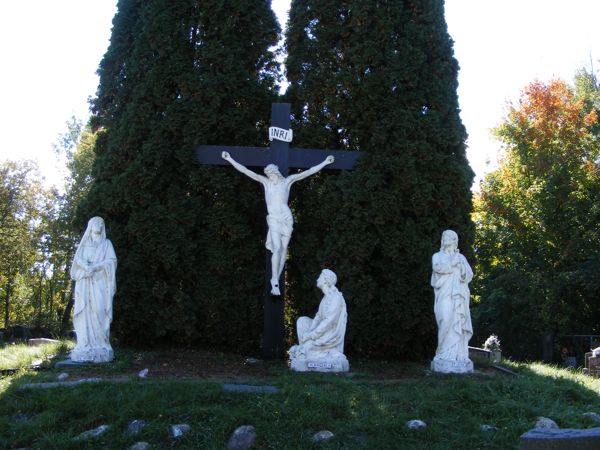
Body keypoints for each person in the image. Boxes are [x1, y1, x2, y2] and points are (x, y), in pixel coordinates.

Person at [222, 151, 334, 295]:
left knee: (283, 250)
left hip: (286, 218)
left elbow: (309, 172)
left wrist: (325, 162)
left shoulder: (287, 181)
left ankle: (277, 278)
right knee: (277, 247)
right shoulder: (266, 182)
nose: (269, 176)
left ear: (275, 172)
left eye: (270, 173)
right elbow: (245, 170)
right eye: (267, 174)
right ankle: (274, 280)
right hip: (274, 219)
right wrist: (230, 159)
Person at [69, 216, 117, 363]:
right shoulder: (83, 246)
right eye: (97, 223)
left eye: (102, 223)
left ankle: (102, 344)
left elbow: (111, 261)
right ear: (90, 225)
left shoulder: (107, 244)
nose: (100, 225)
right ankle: (85, 344)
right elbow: (76, 264)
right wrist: (85, 268)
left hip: (100, 283)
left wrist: (95, 267)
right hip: (85, 283)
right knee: (85, 312)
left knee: (100, 310)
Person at [430, 229, 474, 373]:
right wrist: (451, 263)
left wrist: (461, 267)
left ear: (455, 241)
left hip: (459, 296)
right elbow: (437, 268)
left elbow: (469, 274)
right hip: (444, 294)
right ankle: (442, 355)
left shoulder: (461, 257)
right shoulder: (437, 256)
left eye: (450, 237)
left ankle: (459, 356)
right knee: (446, 320)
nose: (447, 239)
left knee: (458, 324)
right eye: (445, 237)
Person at [288, 269, 349, 372]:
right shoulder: (326, 297)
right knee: (302, 321)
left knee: (306, 348)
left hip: (329, 334)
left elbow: (329, 322)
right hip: (321, 330)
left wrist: (312, 335)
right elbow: (318, 317)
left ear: (326, 280)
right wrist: (309, 331)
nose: (317, 279)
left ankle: (310, 349)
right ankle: (305, 347)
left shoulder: (335, 298)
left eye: (320, 277)